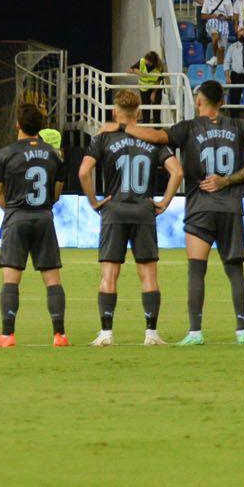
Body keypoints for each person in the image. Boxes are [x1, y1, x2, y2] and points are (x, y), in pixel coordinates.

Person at [121, 78, 244, 345]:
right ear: (222, 102)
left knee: (197, 270)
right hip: (231, 208)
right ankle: (242, 331)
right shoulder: (238, 127)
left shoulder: (188, 128)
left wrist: (124, 125)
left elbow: (154, 137)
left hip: (200, 207)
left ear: (198, 101)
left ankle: (195, 332)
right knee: (235, 270)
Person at [77, 89, 181, 347]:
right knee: (148, 274)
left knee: (109, 274)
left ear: (115, 113)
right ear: (139, 113)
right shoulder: (154, 140)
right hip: (143, 211)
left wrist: (93, 201)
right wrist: (164, 202)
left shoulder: (103, 138)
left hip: (114, 210)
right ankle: (151, 334)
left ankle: (106, 334)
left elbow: (83, 172)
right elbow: (177, 172)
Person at [0, 101, 69, 348]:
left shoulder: (5, 154)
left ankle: (7, 335)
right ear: (41, 127)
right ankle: (59, 335)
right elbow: (57, 192)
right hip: (44, 217)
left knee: (11, 278)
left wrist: (13, 209)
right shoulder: (54, 155)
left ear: (18, 125)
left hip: (16, 217)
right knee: (53, 278)